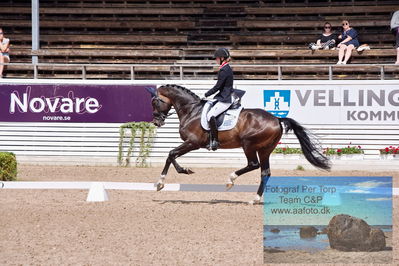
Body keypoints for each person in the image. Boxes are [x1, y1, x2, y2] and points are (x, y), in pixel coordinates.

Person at [204, 48, 235, 151]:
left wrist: (206, 94)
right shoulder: (226, 68)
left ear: (222, 58)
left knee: (210, 115)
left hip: (225, 99)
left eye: (217, 58)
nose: (216, 60)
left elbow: (218, 86)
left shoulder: (224, 70)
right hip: (223, 96)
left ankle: (215, 140)